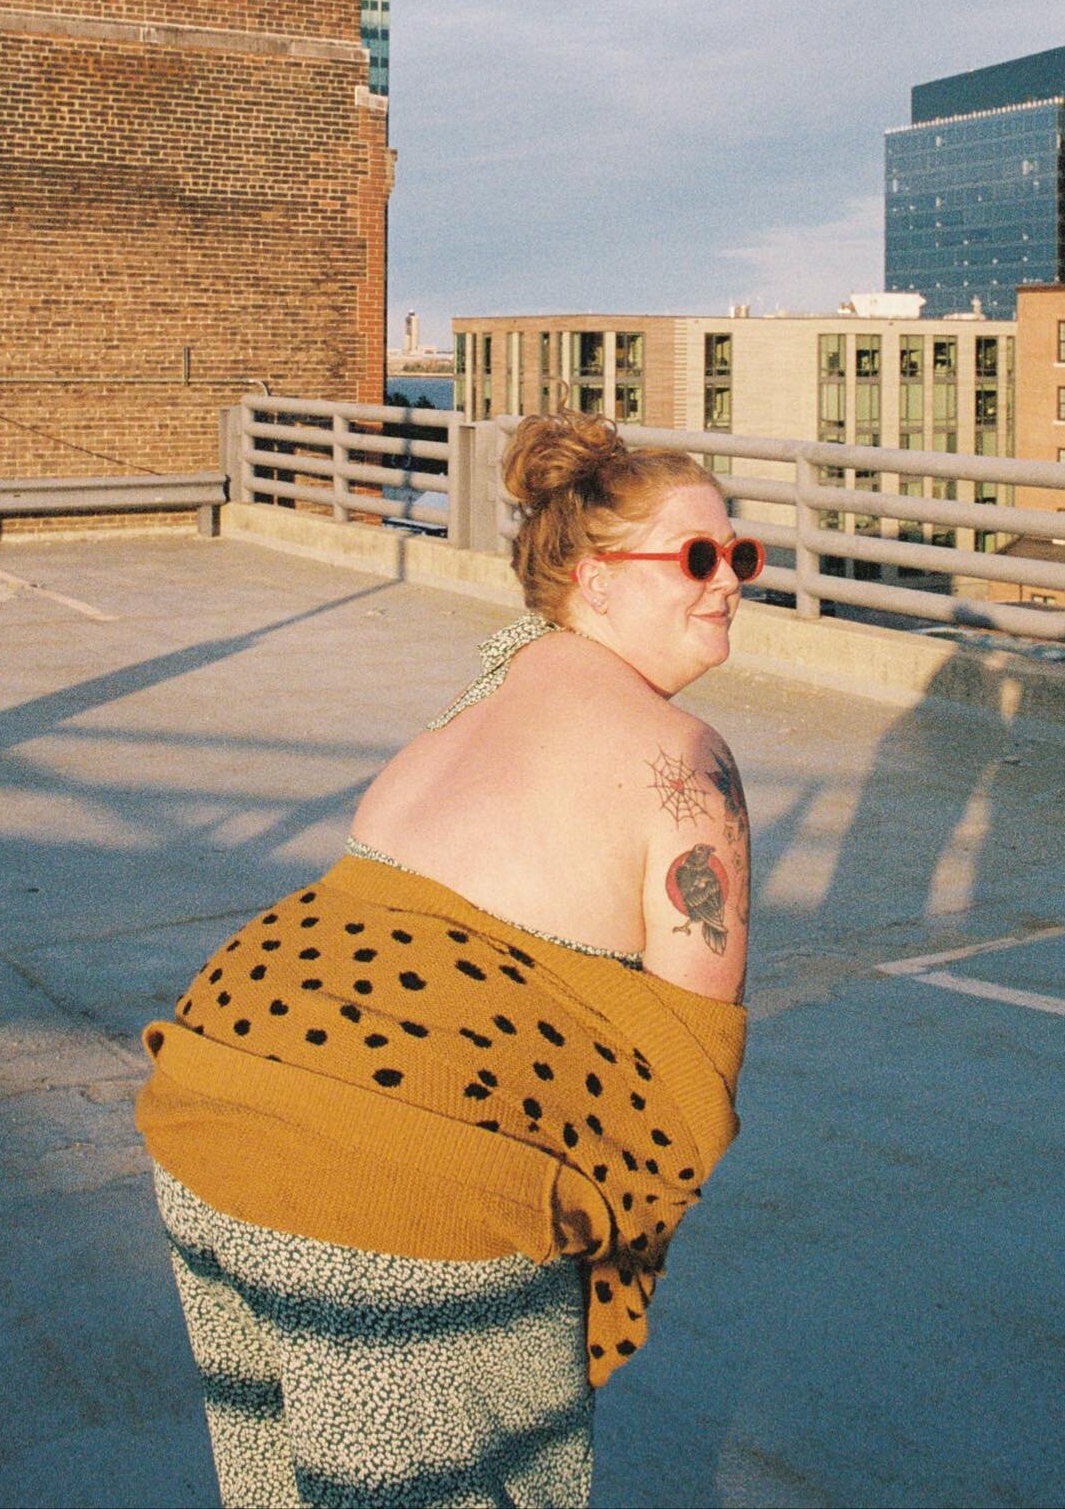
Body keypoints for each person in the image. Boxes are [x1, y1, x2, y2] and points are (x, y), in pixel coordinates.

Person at [137, 409, 757, 1509]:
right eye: (699, 558)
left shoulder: (485, 693)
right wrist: (599, 1249)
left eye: (741, 555)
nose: (729, 583)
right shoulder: (685, 762)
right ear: (598, 580)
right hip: (390, 1180)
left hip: (209, 1097)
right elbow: (686, 1078)